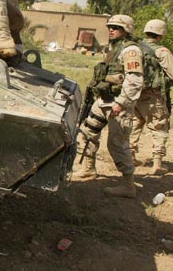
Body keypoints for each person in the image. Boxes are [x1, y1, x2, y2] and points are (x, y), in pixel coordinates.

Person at [74, 14, 143, 198]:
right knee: (87, 133)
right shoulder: (114, 48)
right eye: (110, 27)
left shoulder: (131, 51)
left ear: (126, 30)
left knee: (117, 144)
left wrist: (121, 103)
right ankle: (89, 169)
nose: (111, 30)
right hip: (103, 100)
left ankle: (129, 186)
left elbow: (134, 81)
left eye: (116, 27)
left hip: (118, 104)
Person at [129, 19, 173, 175]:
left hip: (134, 94)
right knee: (159, 126)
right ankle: (157, 163)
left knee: (135, 123)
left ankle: (130, 156)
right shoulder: (162, 51)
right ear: (160, 35)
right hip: (153, 96)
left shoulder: (134, 49)